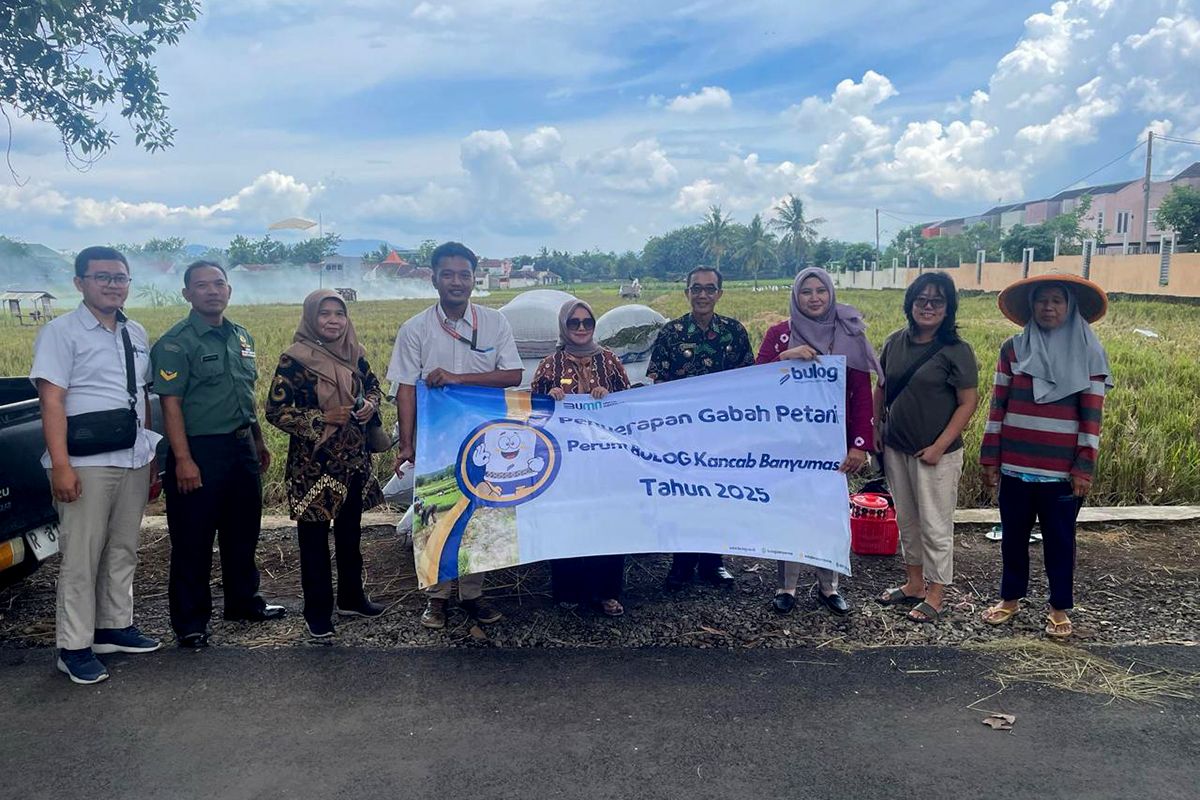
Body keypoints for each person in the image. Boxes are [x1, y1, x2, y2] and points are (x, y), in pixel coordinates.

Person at [30, 246, 162, 684]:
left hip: (131, 456)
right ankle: (73, 646)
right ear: (79, 283)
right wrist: (62, 466)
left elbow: (142, 397)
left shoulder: (135, 332)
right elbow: (53, 400)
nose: (112, 285)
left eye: (120, 277)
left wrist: (149, 455)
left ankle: (113, 626)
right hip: (85, 461)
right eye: (102, 276)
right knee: (81, 557)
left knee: (123, 548)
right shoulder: (61, 332)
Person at [388, 242, 523, 629]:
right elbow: (406, 389)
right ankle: (437, 597)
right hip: (437, 440)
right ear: (433, 279)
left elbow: (512, 375)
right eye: (447, 274)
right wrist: (408, 444)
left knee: (481, 514)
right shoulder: (415, 329)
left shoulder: (495, 323)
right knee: (435, 512)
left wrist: (459, 378)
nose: (456, 282)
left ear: (473, 279)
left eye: (464, 274)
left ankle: (473, 594)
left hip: (484, 438)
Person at [151, 261, 284, 649]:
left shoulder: (240, 336)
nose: (212, 291)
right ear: (187, 294)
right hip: (198, 449)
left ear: (229, 290)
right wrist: (183, 459)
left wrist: (257, 440)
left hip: (240, 445)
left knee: (243, 531)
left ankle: (243, 603)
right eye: (202, 285)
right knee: (193, 538)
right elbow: (170, 405)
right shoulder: (177, 342)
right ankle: (191, 622)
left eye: (219, 284)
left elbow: (244, 396)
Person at [980, 274, 1111, 639]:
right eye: (1041, 300)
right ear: (1031, 307)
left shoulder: (1089, 351)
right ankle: (1010, 598)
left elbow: (1092, 416)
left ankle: (1058, 606)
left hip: (1061, 472)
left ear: (1070, 307)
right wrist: (991, 457)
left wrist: (1083, 466)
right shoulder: (1013, 349)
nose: (1048, 307)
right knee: (1013, 536)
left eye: (1056, 300)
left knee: (1060, 540)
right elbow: (998, 406)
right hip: (1015, 465)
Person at [756, 267, 879, 615]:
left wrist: (858, 444)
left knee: (828, 513)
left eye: (820, 291)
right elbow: (755, 382)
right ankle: (787, 587)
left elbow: (860, 395)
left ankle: (829, 587)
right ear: (796, 296)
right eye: (806, 292)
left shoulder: (848, 335)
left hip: (832, 448)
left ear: (830, 294)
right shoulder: (780, 335)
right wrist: (785, 358)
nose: (814, 298)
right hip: (790, 446)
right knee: (790, 512)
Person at [265, 290, 386, 639]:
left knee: (350, 536)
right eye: (325, 314)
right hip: (314, 466)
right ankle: (317, 612)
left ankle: (352, 597)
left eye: (339, 313)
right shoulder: (294, 359)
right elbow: (276, 411)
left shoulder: (355, 354)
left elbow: (374, 386)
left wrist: (370, 405)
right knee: (314, 542)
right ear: (310, 318)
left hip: (353, 462)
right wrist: (321, 418)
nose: (333, 320)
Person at [873, 272, 979, 623]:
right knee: (907, 520)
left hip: (937, 454)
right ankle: (914, 584)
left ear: (948, 308)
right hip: (897, 447)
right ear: (910, 304)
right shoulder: (894, 342)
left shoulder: (957, 351)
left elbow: (968, 403)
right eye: (921, 300)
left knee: (935, 524)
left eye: (937, 301)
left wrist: (938, 446)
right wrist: (876, 429)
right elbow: (881, 388)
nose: (928, 307)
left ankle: (936, 594)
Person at [647, 265, 753, 589]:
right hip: (681, 434)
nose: (703, 295)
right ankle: (680, 564)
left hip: (721, 434)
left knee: (717, 496)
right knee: (683, 496)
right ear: (687, 293)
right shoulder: (671, 333)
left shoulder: (734, 333)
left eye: (709, 288)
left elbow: (750, 381)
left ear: (720, 293)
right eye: (696, 289)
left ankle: (713, 562)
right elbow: (657, 381)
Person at [531, 299, 631, 616]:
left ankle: (606, 592)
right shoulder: (550, 365)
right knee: (566, 520)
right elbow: (532, 411)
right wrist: (550, 400)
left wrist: (609, 397)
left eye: (587, 322)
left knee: (609, 522)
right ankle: (568, 589)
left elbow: (630, 406)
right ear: (564, 326)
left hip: (605, 460)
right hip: (565, 462)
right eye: (574, 323)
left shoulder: (610, 361)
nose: (581, 328)